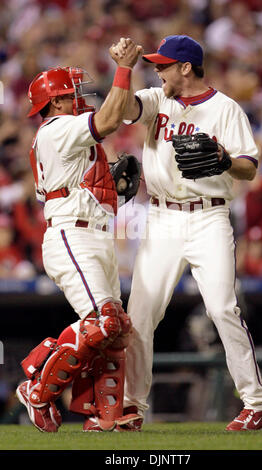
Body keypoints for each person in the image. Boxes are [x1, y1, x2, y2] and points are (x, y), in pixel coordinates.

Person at [110, 35, 262, 431]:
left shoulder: (225, 109)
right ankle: (132, 406)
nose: (158, 70)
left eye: (163, 64)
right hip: (163, 217)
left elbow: (249, 166)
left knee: (222, 308)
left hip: (209, 217)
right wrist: (124, 68)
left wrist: (223, 160)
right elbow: (118, 113)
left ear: (186, 66)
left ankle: (257, 405)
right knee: (141, 314)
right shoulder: (156, 98)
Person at [16, 39, 144, 433]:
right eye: (72, 94)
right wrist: (123, 69)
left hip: (92, 232)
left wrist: (107, 188)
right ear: (54, 104)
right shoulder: (57, 128)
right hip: (72, 234)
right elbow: (108, 122)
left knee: (117, 328)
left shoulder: (66, 133)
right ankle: (37, 388)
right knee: (103, 322)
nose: (80, 99)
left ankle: (102, 416)